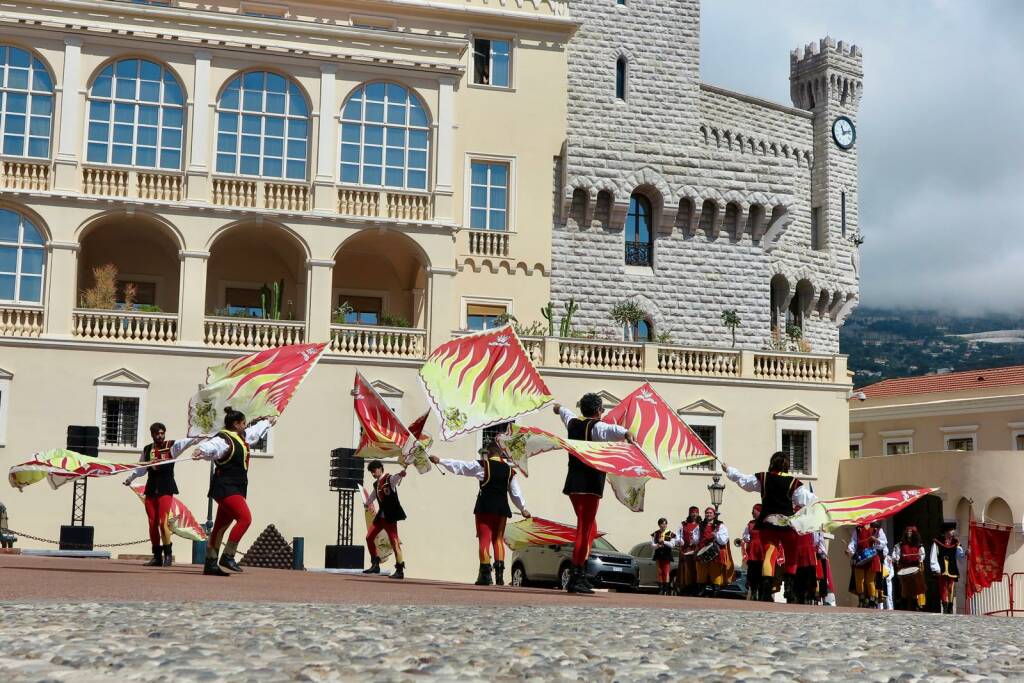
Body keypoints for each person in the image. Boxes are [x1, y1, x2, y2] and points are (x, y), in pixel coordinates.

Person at [553, 394, 635, 595]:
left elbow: (564, 412)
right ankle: (575, 577)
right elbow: (612, 430)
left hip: (573, 483)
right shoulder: (597, 427)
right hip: (589, 485)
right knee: (584, 528)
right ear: (599, 410)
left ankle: (581, 573)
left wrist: (558, 407)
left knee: (590, 527)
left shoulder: (573, 423)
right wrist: (627, 433)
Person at [429, 442, 531, 586]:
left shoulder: (483, 465)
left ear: (489, 452)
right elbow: (515, 493)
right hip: (502, 509)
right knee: (498, 540)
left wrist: (441, 461)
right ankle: (500, 575)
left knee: (485, 539)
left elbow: (461, 466)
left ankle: (485, 575)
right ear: (501, 453)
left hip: (485, 507)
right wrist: (523, 509)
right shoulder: (510, 471)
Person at [721, 451, 816, 602]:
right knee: (791, 556)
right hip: (786, 524)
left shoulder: (764, 478)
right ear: (787, 466)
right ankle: (790, 592)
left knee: (770, 554)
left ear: (772, 463)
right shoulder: (794, 483)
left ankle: (766, 591)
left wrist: (729, 470)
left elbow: (744, 481)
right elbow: (809, 500)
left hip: (767, 523)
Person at [193, 407, 273, 577]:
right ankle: (228, 556)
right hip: (225, 487)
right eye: (243, 423)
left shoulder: (241, 437)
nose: (246, 426)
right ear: (236, 424)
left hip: (236, 487)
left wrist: (268, 422)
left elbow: (254, 432)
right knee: (245, 519)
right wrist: (201, 451)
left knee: (221, 526)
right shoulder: (223, 439)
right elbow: (211, 446)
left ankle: (210, 563)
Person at [123, 422, 198, 567]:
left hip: (166, 487)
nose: (160, 436)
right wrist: (130, 479)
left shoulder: (171, 446)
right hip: (151, 488)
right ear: (152, 434)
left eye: (162, 433)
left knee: (162, 522)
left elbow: (187, 443)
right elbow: (141, 469)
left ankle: (168, 555)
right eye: (157, 434)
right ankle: (157, 556)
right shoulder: (147, 449)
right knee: (152, 523)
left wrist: (199, 437)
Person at [362, 460, 409, 579]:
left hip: (390, 517)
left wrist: (401, 474)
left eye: (374, 471)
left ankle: (399, 570)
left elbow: (396, 477)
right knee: (369, 537)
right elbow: (373, 495)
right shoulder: (376, 484)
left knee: (395, 542)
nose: (373, 473)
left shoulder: (389, 479)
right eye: (371, 472)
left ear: (380, 469)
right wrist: (367, 503)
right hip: (381, 517)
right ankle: (375, 564)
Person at [691, 506, 731, 596]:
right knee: (701, 572)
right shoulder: (700, 525)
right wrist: (693, 539)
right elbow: (696, 539)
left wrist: (715, 535)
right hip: (702, 549)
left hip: (714, 551)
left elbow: (724, 540)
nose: (708, 514)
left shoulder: (720, 525)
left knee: (715, 572)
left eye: (710, 513)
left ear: (714, 515)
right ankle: (701, 590)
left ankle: (715, 590)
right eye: (707, 513)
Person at [846, 522, 887, 607]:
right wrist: (849, 549)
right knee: (859, 580)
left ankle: (872, 600)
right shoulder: (857, 529)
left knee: (870, 581)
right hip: (860, 557)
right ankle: (862, 599)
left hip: (872, 557)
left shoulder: (877, 529)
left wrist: (876, 540)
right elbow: (853, 542)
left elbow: (884, 543)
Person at [930, 522, 965, 615]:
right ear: (946, 531)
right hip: (942, 568)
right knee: (943, 587)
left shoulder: (956, 542)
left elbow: (959, 555)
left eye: (953, 530)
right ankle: (945, 607)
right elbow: (933, 555)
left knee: (951, 587)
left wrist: (965, 553)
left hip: (952, 568)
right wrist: (935, 568)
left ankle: (950, 607)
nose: (952, 532)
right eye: (950, 530)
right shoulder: (937, 541)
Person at [893, 525, 927, 611]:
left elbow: (922, 555)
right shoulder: (901, 544)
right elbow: (896, 554)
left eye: (911, 532)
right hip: (904, 567)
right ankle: (904, 605)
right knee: (905, 587)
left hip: (915, 566)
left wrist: (920, 558)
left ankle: (916, 605)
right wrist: (897, 558)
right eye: (908, 532)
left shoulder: (918, 544)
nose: (909, 533)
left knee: (915, 587)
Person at [675, 506, 702, 596]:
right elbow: (678, 535)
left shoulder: (701, 524)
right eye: (692, 512)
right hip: (685, 549)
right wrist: (680, 541)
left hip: (696, 549)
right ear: (689, 514)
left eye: (696, 512)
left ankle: (695, 588)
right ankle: (685, 587)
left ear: (698, 514)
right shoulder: (683, 524)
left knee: (696, 568)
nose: (694, 514)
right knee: (685, 568)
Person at [740, 504, 765, 601]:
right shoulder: (750, 523)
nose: (752, 513)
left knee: (762, 571)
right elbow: (746, 536)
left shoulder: (765, 523)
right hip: (753, 550)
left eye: (754, 511)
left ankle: (762, 592)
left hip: (763, 549)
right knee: (753, 571)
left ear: (759, 512)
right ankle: (754, 591)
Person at [651, 518, 676, 595]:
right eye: (662, 524)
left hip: (666, 554)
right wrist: (657, 545)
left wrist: (664, 542)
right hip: (658, 554)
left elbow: (672, 545)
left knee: (666, 572)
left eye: (665, 524)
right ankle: (661, 588)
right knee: (659, 572)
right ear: (659, 525)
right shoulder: (655, 533)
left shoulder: (671, 533)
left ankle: (666, 588)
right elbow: (652, 545)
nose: (663, 525)